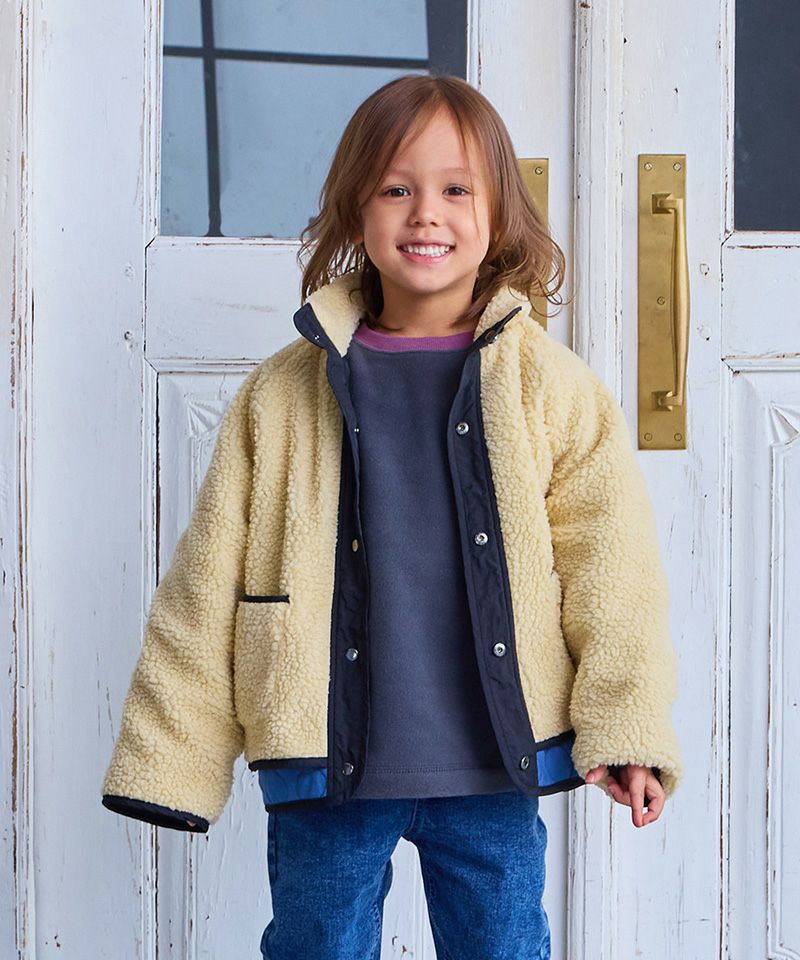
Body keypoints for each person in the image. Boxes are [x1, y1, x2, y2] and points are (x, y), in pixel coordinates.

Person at [101, 74, 682, 959]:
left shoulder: (553, 390)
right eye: (396, 189)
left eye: (456, 190)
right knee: (317, 946)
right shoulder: (280, 395)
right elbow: (203, 587)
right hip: (327, 763)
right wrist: (174, 761)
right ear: (356, 210)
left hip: (493, 765)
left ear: (500, 214)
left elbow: (615, 574)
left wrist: (627, 727)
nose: (426, 214)